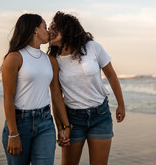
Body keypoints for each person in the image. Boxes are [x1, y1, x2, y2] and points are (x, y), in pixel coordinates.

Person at [48, 11, 125, 165]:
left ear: (67, 30)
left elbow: (111, 76)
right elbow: (56, 97)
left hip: (100, 115)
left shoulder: (93, 47)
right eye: (49, 28)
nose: (50, 32)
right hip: (73, 119)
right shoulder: (53, 60)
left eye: (54, 28)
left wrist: (121, 104)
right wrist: (62, 127)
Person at [0, 13, 71, 165]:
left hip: (45, 122)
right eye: (45, 27)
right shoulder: (14, 58)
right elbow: (8, 98)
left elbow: (57, 96)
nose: (48, 32)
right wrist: (13, 134)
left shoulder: (50, 60)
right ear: (35, 30)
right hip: (19, 123)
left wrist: (65, 126)